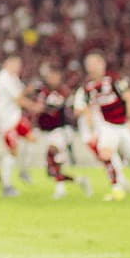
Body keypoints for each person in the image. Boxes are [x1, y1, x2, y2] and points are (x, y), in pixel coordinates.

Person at [74, 51, 130, 201]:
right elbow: (87, 107)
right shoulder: (88, 88)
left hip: (124, 124)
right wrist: (90, 121)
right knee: (104, 154)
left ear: (102, 64)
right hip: (108, 126)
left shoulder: (114, 80)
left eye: (94, 64)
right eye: (88, 65)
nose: (91, 68)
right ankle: (117, 189)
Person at [32, 64, 92, 199]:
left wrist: (42, 107)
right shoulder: (43, 91)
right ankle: (80, 180)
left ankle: (61, 190)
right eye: (49, 76)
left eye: (54, 76)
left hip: (62, 130)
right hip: (47, 131)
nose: (51, 78)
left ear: (59, 77)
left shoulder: (63, 92)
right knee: (51, 169)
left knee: (52, 153)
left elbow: (55, 107)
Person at [0, 55, 41, 197]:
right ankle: (6, 186)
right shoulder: (4, 78)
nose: (18, 67)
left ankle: (23, 170)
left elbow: (19, 94)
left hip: (15, 116)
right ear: (7, 64)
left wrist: (28, 90)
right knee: (12, 151)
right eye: (15, 64)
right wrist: (34, 106)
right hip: (4, 120)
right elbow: (18, 99)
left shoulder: (13, 78)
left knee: (32, 138)